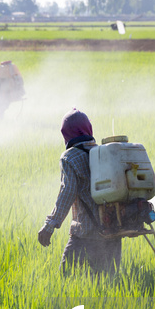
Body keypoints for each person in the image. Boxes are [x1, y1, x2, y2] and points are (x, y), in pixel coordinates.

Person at [37, 108, 122, 276]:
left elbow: (67, 193)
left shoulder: (70, 157)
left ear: (67, 134)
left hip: (85, 233)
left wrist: (50, 225)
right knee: (108, 285)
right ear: (88, 129)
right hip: (113, 230)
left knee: (65, 280)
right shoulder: (104, 153)